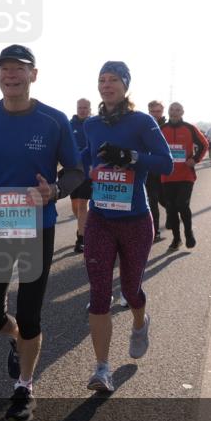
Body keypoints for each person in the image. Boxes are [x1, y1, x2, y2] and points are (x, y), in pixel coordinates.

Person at [0, 45, 83, 421]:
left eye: (19, 69)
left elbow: (76, 171)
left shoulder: (54, 120)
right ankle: (16, 338)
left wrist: (55, 190)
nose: (11, 75)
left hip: (38, 228)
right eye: (5, 69)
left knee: (31, 313)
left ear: (34, 75)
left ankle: (24, 386)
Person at [81, 63, 173, 389]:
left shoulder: (142, 122)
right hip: (100, 219)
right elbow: (85, 157)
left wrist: (130, 157)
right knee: (99, 294)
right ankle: (102, 369)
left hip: (135, 220)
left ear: (125, 85)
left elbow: (165, 163)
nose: (106, 85)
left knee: (131, 290)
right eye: (101, 80)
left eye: (113, 80)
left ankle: (140, 322)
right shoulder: (91, 124)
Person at [161, 102, 208, 250]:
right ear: (168, 112)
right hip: (167, 176)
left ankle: (188, 232)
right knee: (171, 208)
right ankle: (176, 239)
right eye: (172, 109)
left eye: (177, 110)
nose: (174, 112)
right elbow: (153, 147)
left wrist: (195, 159)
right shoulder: (161, 129)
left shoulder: (189, 128)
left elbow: (204, 144)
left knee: (182, 204)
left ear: (182, 112)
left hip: (186, 175)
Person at [68, 98, 93, 253]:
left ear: (90, 109)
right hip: (72, 171)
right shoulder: (69, 125)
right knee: (75, 206)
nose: (82, 110)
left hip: (88, 172)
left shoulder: (94, 125)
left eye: (85, 108)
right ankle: (83, 227)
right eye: (80, 107)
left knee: (83, 203)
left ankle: (81, 239)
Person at [145, 100, 168, 241]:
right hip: (150, 171)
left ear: (162, 112)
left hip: (165, 171)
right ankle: (155, 231)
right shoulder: (144, 125)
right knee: (152, 201)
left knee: (165, 201)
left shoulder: (167, 127)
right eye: (152, 111)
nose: (155, 114)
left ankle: (172, 216)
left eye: (158, 111)